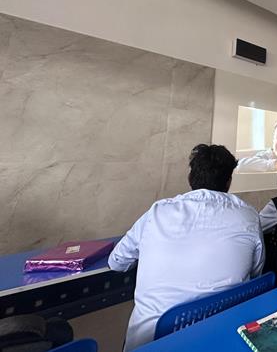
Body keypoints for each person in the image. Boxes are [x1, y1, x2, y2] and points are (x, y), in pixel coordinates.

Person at [108, 144, 265, 351]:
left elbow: (116, 262)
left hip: (151, 342)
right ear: (228, 181)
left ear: (191, 178)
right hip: (222, 336)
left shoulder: (156, 213)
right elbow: (256, 272)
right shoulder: (248, 216)